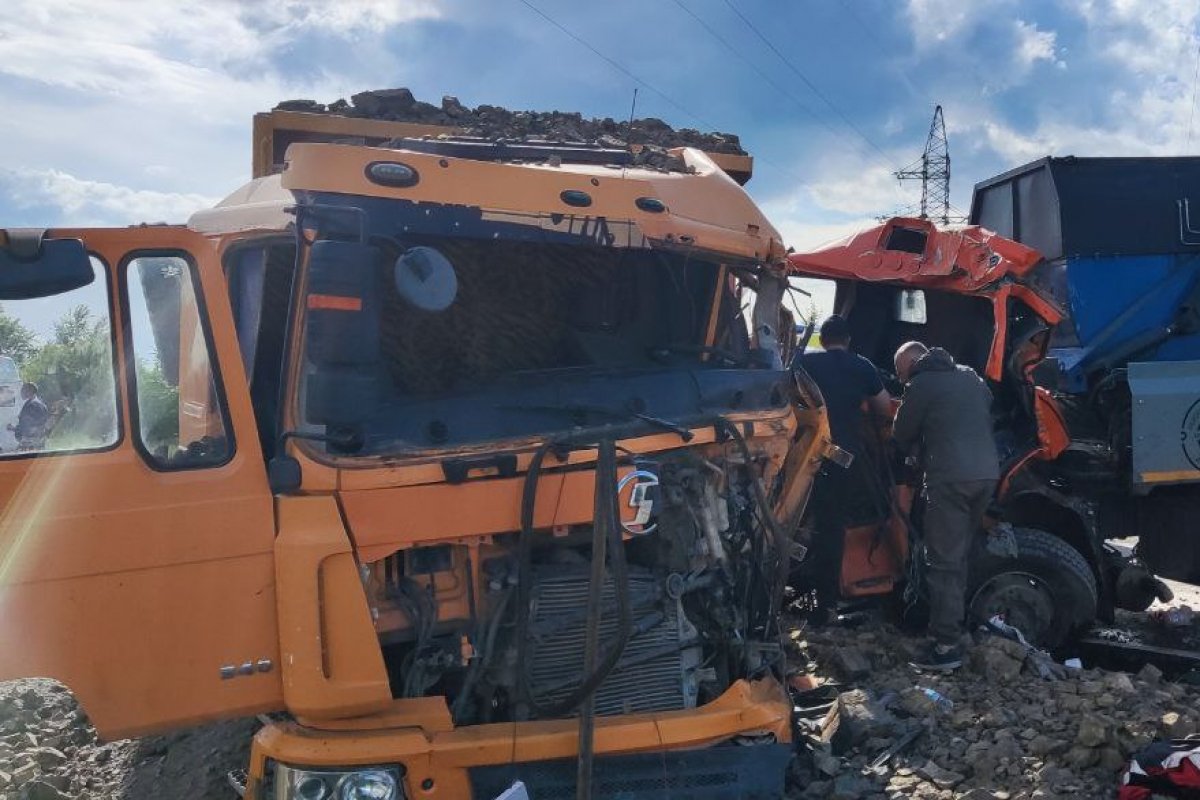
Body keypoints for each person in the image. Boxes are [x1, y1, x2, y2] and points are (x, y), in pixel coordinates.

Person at [892, 342, 999, 670]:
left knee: (943, 563)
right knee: (959, 556)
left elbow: (900, 432)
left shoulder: (921, 384)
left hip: (950, 480)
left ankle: (944, 648)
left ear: (912, 364)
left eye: (900, 373)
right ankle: (957, 626)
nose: (901, 380)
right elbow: (986, 408)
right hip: (987, 475)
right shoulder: (970, 377)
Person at [794, 316, 892, 619]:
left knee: (793, 518)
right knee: (832, 526)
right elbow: (885, 407)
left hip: (801, 455)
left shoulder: (805, 364)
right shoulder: (862, 366)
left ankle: (789, 586)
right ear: (848, 340)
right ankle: (827, 603)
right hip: (843, 456)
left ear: (822, 340)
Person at [9, 382, 49, 451]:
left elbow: (28, 427)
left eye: (23, 390)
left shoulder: (32, 405)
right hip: (37, 441)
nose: (21, 392)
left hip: (31, 443)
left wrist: (13, 428)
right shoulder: (38, 403)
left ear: (29, 391)